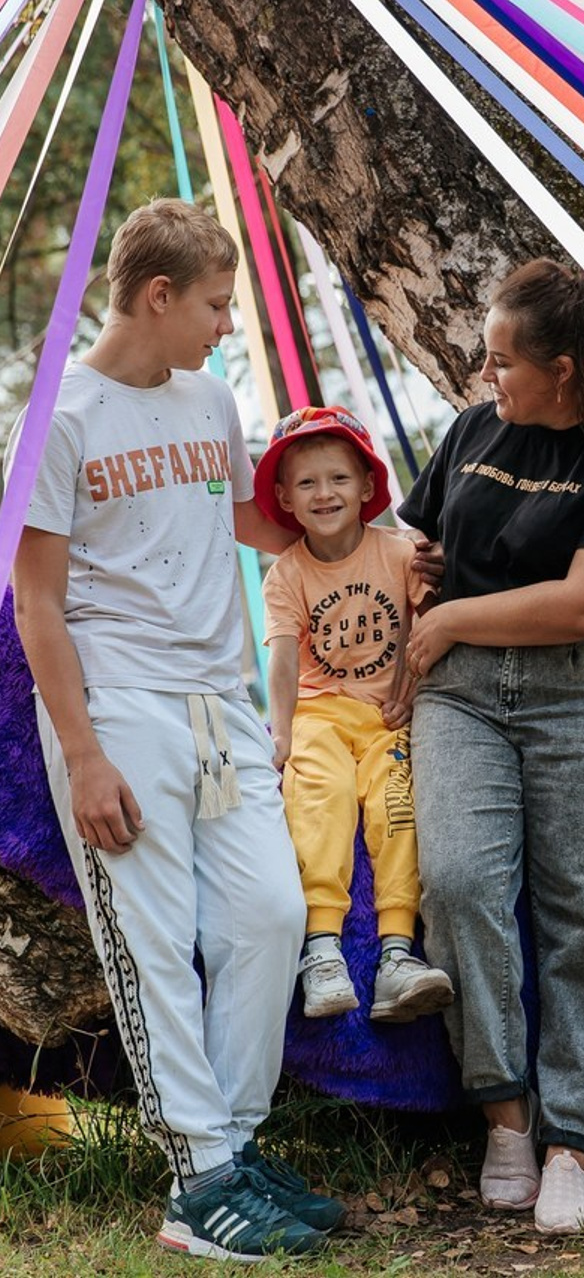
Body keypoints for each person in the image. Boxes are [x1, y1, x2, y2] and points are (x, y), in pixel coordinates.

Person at [6, 199, 341, 1262]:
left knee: (267, 914)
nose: (226, 323)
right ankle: (196, 1180)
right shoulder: (56, 419)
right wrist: (85, 751)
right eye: (214, 302)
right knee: (153, 939)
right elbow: (37, 602)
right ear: (159, 296)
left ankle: (231, 1149)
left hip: (218, 702)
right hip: (120, 707)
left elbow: (236, 516)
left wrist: (366, 524)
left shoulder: (208, 399)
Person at [398, 257, 584, 1235]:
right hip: (465, 697)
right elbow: (417, 539)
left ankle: (572, 1143)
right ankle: (504, 1117)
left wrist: (450, 619)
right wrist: (408, 575)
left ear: (562, 370)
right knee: (462, 883)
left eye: (501, 362)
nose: (486, 378)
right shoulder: (476, 430)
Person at [255, 405, 454, 1023]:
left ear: (368, 486)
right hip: (320, 715)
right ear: (285, 498)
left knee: (399, 802)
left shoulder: (401, 553)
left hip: (387, 718)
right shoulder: (286, 575)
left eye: (338, 478)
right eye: (308, 483)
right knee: (322, 795)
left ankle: (397, 955)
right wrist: (282, 733)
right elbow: (284, 661)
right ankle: (321, 952)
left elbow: (431, 625)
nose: (324, 493)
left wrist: (414, 692)